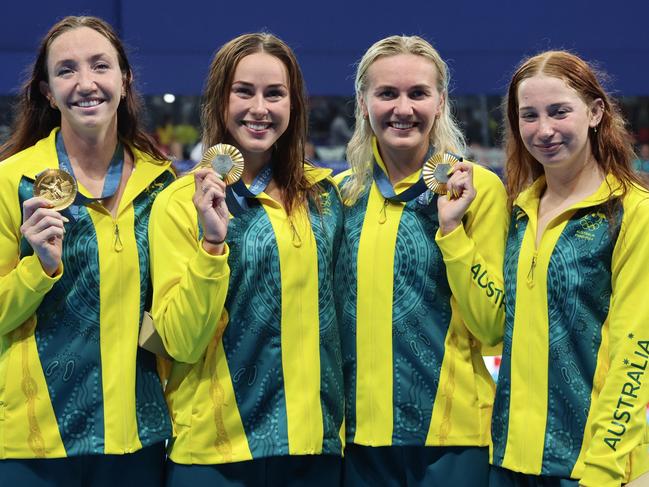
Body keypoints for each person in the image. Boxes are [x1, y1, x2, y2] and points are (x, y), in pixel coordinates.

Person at [149, 33, 344, 486]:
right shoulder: (179, 204)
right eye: (244, 91)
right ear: (219, 99)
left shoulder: (324, 197)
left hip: (312, 449)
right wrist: (212, 247)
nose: (259, 108)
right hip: (213, 456)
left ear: (293, 105)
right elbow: (177, 341)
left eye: (274, 94)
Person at [0, 16, 173, 486]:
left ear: (124, 79)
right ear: (48, 92)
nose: (86, 83)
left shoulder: (163, 186)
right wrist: (39, 268)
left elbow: (171, 312)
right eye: (66, 71)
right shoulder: (11, 181)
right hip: (33, 442)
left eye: (100, 66)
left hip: (137, 436)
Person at [334, 35, 508, 486]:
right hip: (357, 438)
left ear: (441, 101)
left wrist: (452, 231)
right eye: (387, 93)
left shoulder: (479, 190)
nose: (403, 108)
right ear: (363, 100)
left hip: (452, 440)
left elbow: (491, 323)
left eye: (418, 93)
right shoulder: (341, 196)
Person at [490, 50, 649, 487]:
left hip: (591, 468)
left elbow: (637, 351)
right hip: (509, 460)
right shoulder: (517, 212)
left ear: (596, 112)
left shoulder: (633, 213)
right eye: (529, 116)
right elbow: (496, 323)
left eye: (559, 112)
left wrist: (602, 467)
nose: (544, 130)